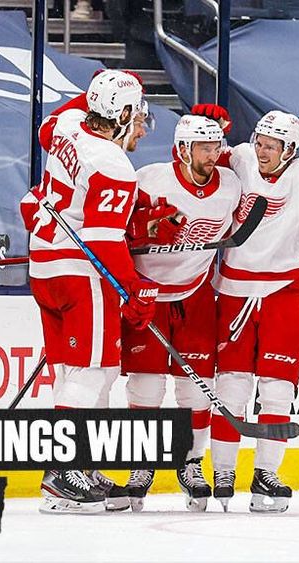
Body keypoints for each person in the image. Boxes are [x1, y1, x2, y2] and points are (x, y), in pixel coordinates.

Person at [189, 104, 299, 513]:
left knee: (277, 390)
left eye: (273, 145)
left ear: (290, 149)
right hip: (234, 293)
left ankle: (266, 474)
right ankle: (224, 473)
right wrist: (206, 129)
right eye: (260, 142)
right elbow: (198, 164)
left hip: (284, 295)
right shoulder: (241, 158)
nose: (263, 151)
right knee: (231, 387)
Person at [20, 69, 168, 514]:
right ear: (120, 115)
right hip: (80, 272)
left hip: (44, 266)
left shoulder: (67, 125)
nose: (141, 125)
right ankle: (61, 471)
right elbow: (103, 240)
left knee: (71, 369)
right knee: (94, 370)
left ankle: (81, 464)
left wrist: (101, 88)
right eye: (137, 115)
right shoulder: (113, 163)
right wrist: (135, 289)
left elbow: (48, 128)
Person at [105, 114, 243, 513]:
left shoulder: (230, 185)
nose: (213, 154)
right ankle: (141, 463)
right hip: (148, 295)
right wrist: (143, 232)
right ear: (182, 149)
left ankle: (190, 461)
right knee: (146, 387)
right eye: (204, 147)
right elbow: (115, 234)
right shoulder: (148, 179)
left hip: (195, 294)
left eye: (216, 146)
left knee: (195, 388)